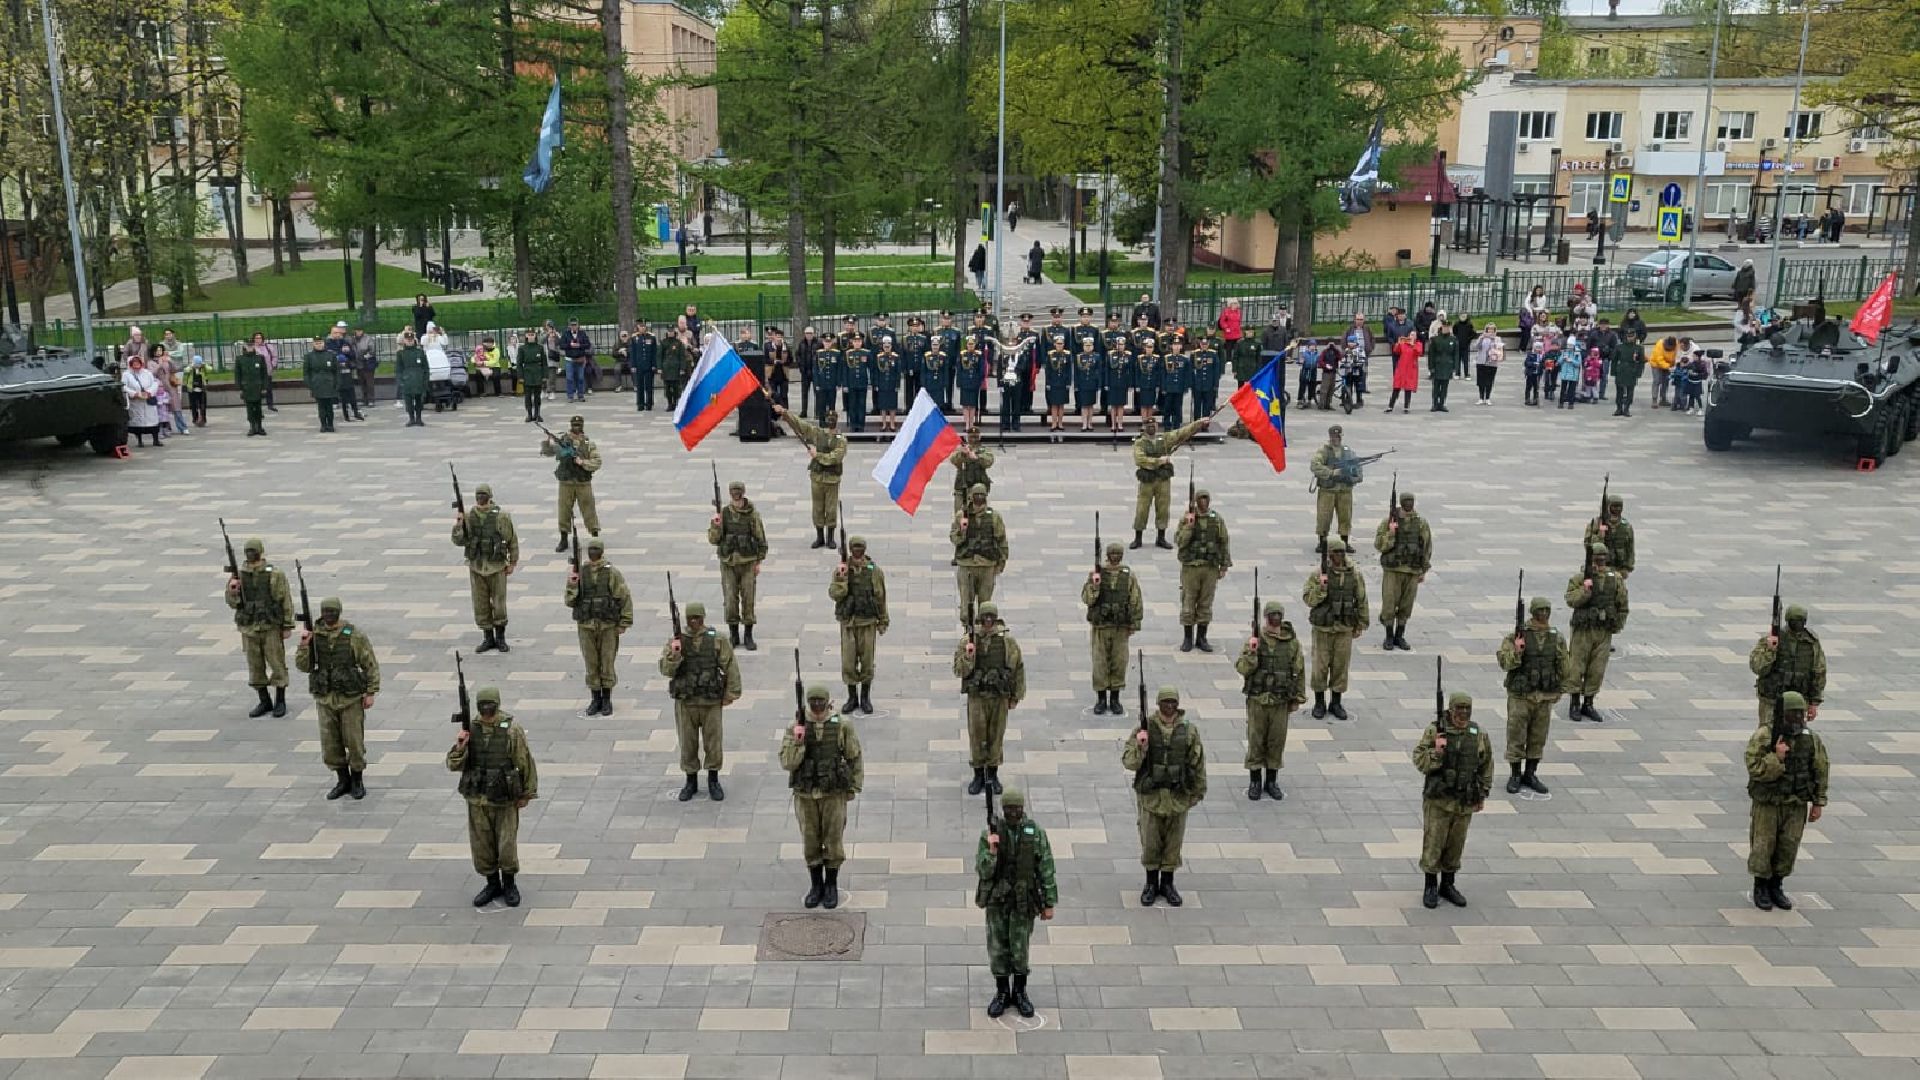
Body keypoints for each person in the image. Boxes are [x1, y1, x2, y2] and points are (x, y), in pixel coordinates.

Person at [448, 686, 538, 909]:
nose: (487, 710)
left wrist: (527, 792)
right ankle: (491, 883)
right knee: (482, 846)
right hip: (478, 799)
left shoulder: (511, 729)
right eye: (483, 706)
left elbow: (525, 760)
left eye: (490, 705)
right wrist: (460, 745)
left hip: (504, 798)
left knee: (506, 844)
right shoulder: (471, 728)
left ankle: (509, 883)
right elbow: (453, 764)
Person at [976, 788, 1057, 1019]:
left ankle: (1020, 991)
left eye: (1017, 808)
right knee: (998, 949)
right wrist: (992, 850)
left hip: (1023, 901)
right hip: (998, 902)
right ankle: (1002, 992)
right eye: (1009, 808)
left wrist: (1048, 902)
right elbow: (982, 870)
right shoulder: (990, 833)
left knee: (1020, 948)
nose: (1013, 813)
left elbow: (1046, 868)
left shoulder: (1035, 833)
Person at [1123, 685, 1206, 907]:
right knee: (1150, 841)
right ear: (1158, 704)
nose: (1169, 707)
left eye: (1173, 702)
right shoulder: (1145, 728)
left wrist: (1198, 790)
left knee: (1173, 843)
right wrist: (1141, 746)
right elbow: (1129, 762)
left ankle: (1167, 883)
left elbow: (1197, 761)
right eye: (1165, 702)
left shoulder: (1188, 730)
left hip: (1177, 796)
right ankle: (1151, 883)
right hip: (1152, 796)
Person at [1744, 691, 1828, 912]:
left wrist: (1818, 802)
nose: (1796, 719)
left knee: (1788, 846)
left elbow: (1820, 769)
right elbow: (1755, 768)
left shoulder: (1810, 739)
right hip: (1769, 803)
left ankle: (1777, 885)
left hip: (1796, 802)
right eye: (1792, 714)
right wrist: (1776, 758)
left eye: (1799, 714)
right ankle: (1760, 886)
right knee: (1764, 845)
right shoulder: (1764, 736)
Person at [783, 683, 864, 910]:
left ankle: (831, 885)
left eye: (821, 702)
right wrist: (799, 741)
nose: (817, 706)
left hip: (832, 794)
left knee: (833, 840)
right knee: (810, 841)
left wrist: (854, 786)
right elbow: (787, 762)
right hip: (806, 794)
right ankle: (816, 884)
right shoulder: (796, 726)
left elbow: (854, 756)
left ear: (828, 702)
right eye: (813, 702)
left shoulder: (841, 725)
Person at [293, 596, 379, 801]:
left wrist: (370, 692)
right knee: (330, 743)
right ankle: (342, 780)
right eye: (325, 612)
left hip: (350, 697)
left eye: (332, 612)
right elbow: (303, 666)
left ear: (339, 612)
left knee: (354, 741)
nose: (328, 615)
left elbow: (369, 663)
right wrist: (304, 645)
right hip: (325, 697)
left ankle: (357, 779)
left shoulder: (353, 635)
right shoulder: (315, 635)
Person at [1412, 692, 1492, 909]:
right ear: (1450, 710)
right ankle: (1430, 885)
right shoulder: (1435, 730)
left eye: (1467, 710)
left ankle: (1448, 884)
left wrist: (1482, 793)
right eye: (1459, 710)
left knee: (1455, 845)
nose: (1463, 714)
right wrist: (1437, 752)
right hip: (1439, 800)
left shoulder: (1478, 734)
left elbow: (1486, 765)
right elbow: (1420, 761)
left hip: (1464, 800)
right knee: (1434, 843)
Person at [658, 601, 741, 802]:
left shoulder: (716, 639)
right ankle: (691, 780)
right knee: (688, 742)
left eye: (698, 618)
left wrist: (731, 693)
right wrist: (674, 655)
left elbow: (730, 665)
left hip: (710, 701)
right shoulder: (676, 641)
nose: (695, 622)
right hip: (686, 702)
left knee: (713, 742)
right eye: (691, 619)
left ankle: (713, 779)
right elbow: (665, 670)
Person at [1497, 597, 1572, 796]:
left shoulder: (1556, 637)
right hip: (1521, 695)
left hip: (1544, 696)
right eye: (1540, 610)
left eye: (1547, 610)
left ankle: (1530, 773)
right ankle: (1515, 774)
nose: (1544, 614)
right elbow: (1505, 662)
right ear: (1532, 612)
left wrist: (1561, 689)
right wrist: (1518, 651)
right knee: (1516, 735)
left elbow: (1565, 665)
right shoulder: (1516, 635)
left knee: (1538, 737)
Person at [1237, 601, 1305, 802]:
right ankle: (1255, 780)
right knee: (1256, 740)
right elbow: (1242, 668)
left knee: (1277, 740)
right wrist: (1252, 652)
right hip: (1258, 700)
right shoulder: (1255, 640)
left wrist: (1298, 697)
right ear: (1266, 617)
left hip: (1280, 701)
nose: (1275, 619)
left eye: (1278, 615)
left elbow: (1298, 670)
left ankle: (1272, 780)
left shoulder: (1291, 642)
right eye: (1271, 615)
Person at [955, 602, 1025, 796]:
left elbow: (1017, 667)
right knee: (977, 735)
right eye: (984, 618)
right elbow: (958, 670)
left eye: (990, 618)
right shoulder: (968, 640)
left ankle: (992, 774)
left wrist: (1016, 696)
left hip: (998, 696)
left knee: (996, 735)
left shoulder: (1007, 641)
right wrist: (969, 656)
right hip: (977, 697)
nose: (987, 622)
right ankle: (978, 774)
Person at [225, 537, 294, 719]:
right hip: (249, 627)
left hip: (270, 625)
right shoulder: (239, 575)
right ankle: (264, 700)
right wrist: (233, 591)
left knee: (277, 663)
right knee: (255, 665)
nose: (250, 554)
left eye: (253, 550)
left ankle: (280, 700)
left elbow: (285, 599)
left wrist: (287, 625)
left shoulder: (274, 574)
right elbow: (232, 603)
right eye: (248, 551)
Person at [567, 536, 632, 717]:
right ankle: (595, 697)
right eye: (591, 550)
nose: (593, 553)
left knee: (607, 662)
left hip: (607, 625)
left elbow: (624, 596)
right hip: (586, 625)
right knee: (591, 662)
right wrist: (573, 584)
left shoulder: (612, 573)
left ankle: (606, 698)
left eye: (596, 550)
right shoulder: (581, 571)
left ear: (601, 552)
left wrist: (624, 622)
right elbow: (569, 600)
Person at [1304, 538, 1368, 720]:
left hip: (1344, 627)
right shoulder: (1318, 574)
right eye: (1336, 552)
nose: (1339, 556)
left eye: (1342, 552)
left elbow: (1361, 598)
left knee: (1340, 666)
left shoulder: (1353, 573)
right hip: (1323, 629)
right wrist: (1322, 589)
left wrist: (1361, 623)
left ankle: (1336, 701)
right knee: (1320, 667)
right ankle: (1319, 702)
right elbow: (1308, 599)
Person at [1565, 544, 1629, 722]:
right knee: (1576, 666)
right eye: (1595, 560)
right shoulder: (1580, 578)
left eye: (1601, 560)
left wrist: (1616, 625)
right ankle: (1575, 702)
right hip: (1583, 630)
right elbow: (1571, 600)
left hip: (1603, 630)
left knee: (1597, 669)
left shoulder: (1615, 579)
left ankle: (1589, 703)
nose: (1598, 564)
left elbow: (1622, 605)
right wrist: (1585, 591)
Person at [453, 483, 519, 654]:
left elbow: (512, 539)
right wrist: (459, 524)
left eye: (483, 495)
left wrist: (512, 562)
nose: (480, 499)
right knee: (480, 603)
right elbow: (458, 541)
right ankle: (487, 637)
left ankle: (500, 637)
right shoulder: (469, 516)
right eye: (478, 496)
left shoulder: (501, 516)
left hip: (496, 566)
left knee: (499, 603)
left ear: (489, 496)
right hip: (477, 566)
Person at [1130, 416, 1210, 549]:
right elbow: (1140, 459)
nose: (1151, 427)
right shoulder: (1140, 443)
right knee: (1142, 508)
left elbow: (1182, 433)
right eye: (1148, 425)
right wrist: (1159, 461)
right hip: (1147, 480)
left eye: (1154, 425)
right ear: (1143, 428)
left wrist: (1199, 423)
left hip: (1163, 479)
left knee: (1163, 508)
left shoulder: (1164, 439)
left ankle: (1161, 537)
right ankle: (1138, 537)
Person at [828, 535, 888, 714]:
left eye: (860, 548)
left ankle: (865, 697)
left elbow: (881, 597)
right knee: (848, 662)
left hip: (868, 622)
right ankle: (852, 696)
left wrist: (883, 619)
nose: (857, 552)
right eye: (854, 548)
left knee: (867, 661)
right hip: (848, 623)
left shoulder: (874, 571)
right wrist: (841, 578)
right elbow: (835, 594)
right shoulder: (842, 569)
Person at [1082, 542, 1142, 715]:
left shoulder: (1128, 575)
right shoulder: (1097, 573)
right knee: (1100, 662)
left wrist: (1134, 623)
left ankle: (1115, 697)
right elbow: (1087, 599)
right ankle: (1101, 698)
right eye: (1112, 554)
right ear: (1107, 555)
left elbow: (1135, 599)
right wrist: (1095, 585)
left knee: (1119, 661)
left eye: (1118, 554)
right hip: (1101, 626)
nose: (1115, 557)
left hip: (1120, 627)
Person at [775, 405, 846, 548]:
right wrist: (785, 413)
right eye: (829, 419)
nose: (830, 421)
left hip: (832, 479)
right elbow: (801, 425)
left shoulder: (841, 440)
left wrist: (817, 455)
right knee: (818, 508)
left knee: (831, 509)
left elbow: (835, 457)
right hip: (817, 477)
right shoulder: (817, 433)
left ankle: (830, 537)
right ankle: (820, 537)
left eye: (833, 419)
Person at [708, 480, 767, 650]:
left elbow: (760, 538)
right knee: (730, 599)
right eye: (733, 494)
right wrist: (716, 525)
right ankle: (734, 633)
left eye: (738, 494)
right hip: (728, 563)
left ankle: (748, 633)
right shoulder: (724, 513)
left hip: (747, 562)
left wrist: (759, 561)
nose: (736, 498)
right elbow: (714, 540)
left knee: (748, 598)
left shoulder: (752, 514)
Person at [1750, 604, 1826, 728]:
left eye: (1800, 621)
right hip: (1772, 699)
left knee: (1795, 736)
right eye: (1794, 620)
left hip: (1798, 701)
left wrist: (1814, 702)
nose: (1798, 624)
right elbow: (1757, 667)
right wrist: (1770, 650)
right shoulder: (1773, 638)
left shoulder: (1811, 642)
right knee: (1767, 736)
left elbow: (1819, 672)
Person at [1175, 489, 1231, 653]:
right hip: (1191, 567)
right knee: (1188, 602)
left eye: (1206, 498)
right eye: (1200, 498)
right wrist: (1189, 526)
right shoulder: (1187, 518)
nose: (1203, 502)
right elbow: (1180, 541)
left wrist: (1224, 565)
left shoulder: (1216, 519)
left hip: (1210, 567)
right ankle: (1187, 638)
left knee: (1206, 603)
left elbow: (1224, 541)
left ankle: (1201, 637)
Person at [1373, 491, 1431, 651]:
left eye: (1411, 501)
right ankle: (1389, 635)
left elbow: (1426, 546)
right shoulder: (1389, 521)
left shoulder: (1420, 523)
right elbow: (1379, 545)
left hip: (1412, 570)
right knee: (1389, 603)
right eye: (1406, 501)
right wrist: (1391, 533)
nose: (1408, 504)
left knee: (1406, 605)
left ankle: (1400, 635)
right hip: (1393, 570)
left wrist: (1423, 570)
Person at [950, 483, 1009, 630]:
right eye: (976, 495)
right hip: (967, 566)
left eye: (982, 495)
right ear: (971, 497)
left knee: (985, 605)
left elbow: (1001, 540)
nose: (979, 498)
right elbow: (954, 539)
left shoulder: (994, 517)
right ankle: (968, 631)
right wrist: (962, 531)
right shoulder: (961, 516)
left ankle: (982, 632)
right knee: (966, 607)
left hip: (987, 565)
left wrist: (1001, 562)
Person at [1308, 425, 1360, 551]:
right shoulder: (1324, 451)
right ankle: (1322, 541)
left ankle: (1345, 540)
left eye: (1338, 436)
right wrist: (1331, 472)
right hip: (1328, 490)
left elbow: (1358, 467)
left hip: (1344, 490)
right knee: (1324, 516)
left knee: (1345, 517)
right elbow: (1315, 465)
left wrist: (1353, 476)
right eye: (1333, 436)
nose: (1336, 439)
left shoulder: (1348, 451)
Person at [1584, 494, 1635, 578]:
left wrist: (1627, 567)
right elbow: (1588, 544)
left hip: (1619, 566)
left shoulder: (1626, 526)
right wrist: (1600, 536)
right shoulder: (1596, 523)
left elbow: (1630, 548)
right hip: (1600, 566)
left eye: (1619, 506)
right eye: (1614, 506)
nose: (1617, 509)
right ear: (1608, 507)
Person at [948, 426, 994, 516]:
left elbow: (989, 461)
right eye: (971, 437)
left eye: (975, 437)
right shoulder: (962, 449)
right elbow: (953, 460)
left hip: (978, 487)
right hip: (962, 487)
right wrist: (962, 454)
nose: (973, 439)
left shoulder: (984, 450)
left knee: (979, 514)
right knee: (960, 514)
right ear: (967, 437)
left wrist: (977, 458)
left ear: (979, 437)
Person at [121, 354, 163, 447]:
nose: (136, 365)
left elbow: (154, 383)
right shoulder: (127, 374)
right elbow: (124, 387)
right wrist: (134, 393)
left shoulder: (147, 373)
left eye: (138, 362)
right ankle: (140, 441)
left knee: (152, 420)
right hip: (136, 402)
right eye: (134, 363)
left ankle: (155, 439)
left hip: (148, 400)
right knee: (138, 422)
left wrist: (149, 392)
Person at [301, 335, 339, 433]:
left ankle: (330, 424)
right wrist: (310, 384)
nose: (319, 345)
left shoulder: (331, 355)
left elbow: (336, 371)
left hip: (329, 384)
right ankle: (323, 425)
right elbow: (306, 372)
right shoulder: (309, 356)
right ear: (313, 344)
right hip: (317, 384)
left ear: (324, 343)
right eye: (317, 343)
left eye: (321, 343)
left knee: (329, 406)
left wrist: (337, 383)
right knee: (321, 406)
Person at [394, 328, 430, 427]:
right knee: (408, 401)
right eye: (407, 340)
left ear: (414, 340)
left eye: (411, 339)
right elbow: (398, 369)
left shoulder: (420, 352)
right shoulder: (401, 354)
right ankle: (411, 418)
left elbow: (425, 367)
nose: (409, 341)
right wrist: (400, 380)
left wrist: (425, 379)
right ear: (404, 340)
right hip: (407, 380)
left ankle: (419, 418)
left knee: (419, 400)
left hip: (418, 379)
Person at [235, 339, 271, 437]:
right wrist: (240, 388)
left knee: (258, 408)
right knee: (250, 409)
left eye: (251, 346)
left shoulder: (260, 358)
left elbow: (264, 374)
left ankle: (259, 427)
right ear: (245, 347)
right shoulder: (240, 359)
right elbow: (238, 375)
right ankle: (252, 427)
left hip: (258, 387)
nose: (250, 347)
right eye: (248, 346)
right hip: (247, 388)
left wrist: (264, 387)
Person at [514, 328, 548, 423]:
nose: (531, 336)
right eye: (529, 335)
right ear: (526, 336)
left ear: (535, 336)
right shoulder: (522, 348)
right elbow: (519, 364)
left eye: (532, 334)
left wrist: (545, 376)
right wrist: (520, 377)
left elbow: (544, 363)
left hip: (538, 372)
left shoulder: (540, 348)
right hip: (527, 373)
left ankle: (537, 414)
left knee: (537, 396)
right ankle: (529, 414)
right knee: (527, 396)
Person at [1072, 336, 1104, 432]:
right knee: (1084, 405)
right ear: (1083, 346)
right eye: (1086, 345)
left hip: (1092, 383)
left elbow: (1099, 371)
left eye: (1090, 345)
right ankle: (1084, 424)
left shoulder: (1097, 357)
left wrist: (1099, 384)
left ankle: (1090, 423)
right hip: (1083, 384)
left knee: (1091, 405)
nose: (1088, 347)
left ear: (1093, 346)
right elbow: (1076, 373)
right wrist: (1076, 385)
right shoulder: (1079, 357)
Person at [1610, 333, 1645, 417]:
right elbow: (1614, 360)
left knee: (1630, 391)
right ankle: (1619, 408)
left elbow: (1641, 362)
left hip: (1632, 370)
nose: (1630, 338)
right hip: (1621, 370)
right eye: (1628, 336)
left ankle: (1627, 409)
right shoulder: (1619, 347)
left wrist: (1639, 373)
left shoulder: (1638, 348)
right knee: (1619, 391)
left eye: (1631, 336)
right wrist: (1613, 371)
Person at [1387, 331, 1421, 413]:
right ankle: (1390, 406)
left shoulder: (1418, 344)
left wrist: (1413, 345)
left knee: (1408, 388)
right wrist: (1398, 343)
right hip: (1401, 368)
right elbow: (1396, 351)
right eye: (1411, 335)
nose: (1412, 336)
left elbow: (1419, 352)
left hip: (1410, 369)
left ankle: (1406, 407)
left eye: (1414, 335)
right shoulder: (1403, 343)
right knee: (1396, 387)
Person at [422, 323, 453, 411]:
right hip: (430, 358)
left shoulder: (439, 337)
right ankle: (429, 397)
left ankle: (443, 396)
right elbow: (423, 343)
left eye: (434, 329)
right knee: (431, 380)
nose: (432, 331)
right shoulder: (425, 337)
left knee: (441, 379)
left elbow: (445, 342)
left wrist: (442, 333)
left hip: (439, 359)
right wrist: (428, 336)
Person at [660, 327, 692, 410]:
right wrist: (659, 367)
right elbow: (659, 356)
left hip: (676, 368)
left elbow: (682, 357)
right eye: (669, 331)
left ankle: (675, 402)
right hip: (666, 368)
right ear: (667, 332)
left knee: (676, 387)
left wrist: (682, 368)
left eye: (672, 332)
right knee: (667, 388)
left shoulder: (678, 343)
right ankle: (669, 403)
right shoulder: (663, 342)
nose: (670, 333)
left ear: (674, 333)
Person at [560, 319, 591, 403]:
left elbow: (588, 345)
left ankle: (580, 395)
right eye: (572, 325)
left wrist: (579, 345)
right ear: (569, 326)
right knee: (569, 378)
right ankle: (570, 396)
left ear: (578, 325)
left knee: (580, 378)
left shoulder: (582, 334)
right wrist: (570, 345)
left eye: (575, 325)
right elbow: (561, 345)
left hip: (580, 359)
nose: (574, 326)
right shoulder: (566, 334)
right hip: (569, 359)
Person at [1471, 323, 1503, 405]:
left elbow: (1499, 349)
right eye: (1489, 329)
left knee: (1489, 381)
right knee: (1481, 381)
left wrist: (1492, 339)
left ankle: (1488, 398)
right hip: (1481, 362)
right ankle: (1481, 398)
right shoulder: (1482, 338)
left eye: (1492, 329)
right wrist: (1482, 338)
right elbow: (1477, 347)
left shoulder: (1497, 339)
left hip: (1492, 363)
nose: (1490, 331)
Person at [183, 355, 210, 427]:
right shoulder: (191, 368)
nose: (197, 365)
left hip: (202, 389)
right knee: (193, 405)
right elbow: (185, 370)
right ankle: (195, 419)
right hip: (192, 389)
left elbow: (210, 369)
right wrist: (192, 366)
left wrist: (204, 365)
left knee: (203, 405)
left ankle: (203, 419)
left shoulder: (203, 368)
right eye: (196, 363)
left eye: (199, 363)